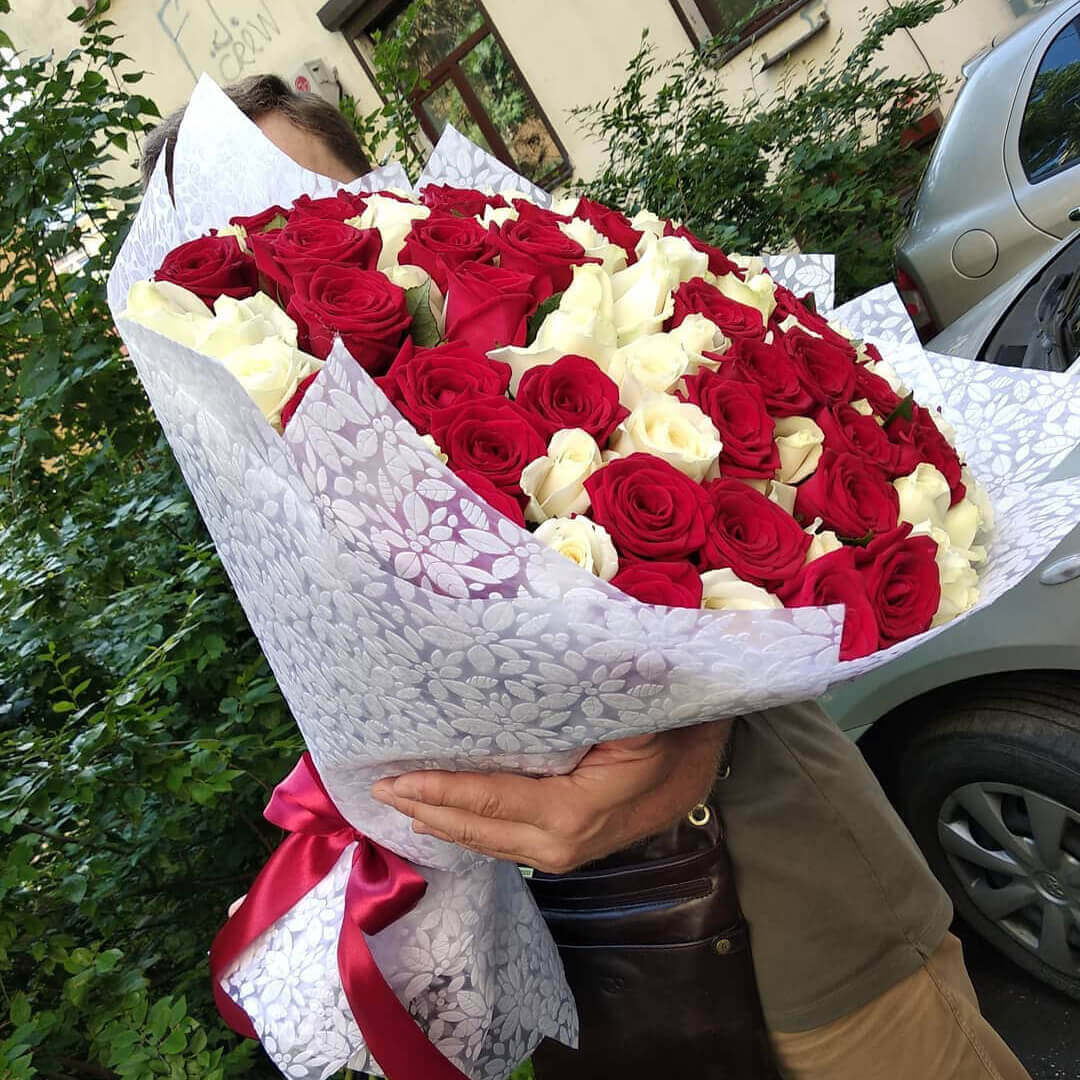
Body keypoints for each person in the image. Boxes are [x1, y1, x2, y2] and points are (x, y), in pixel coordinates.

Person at [143, 80, 1032, 1080]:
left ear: (385, 197)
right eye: (236, 239)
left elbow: (747, 578)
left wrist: (686, 735)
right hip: (596, 994)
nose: (277, 258)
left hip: (804, 924)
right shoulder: (250, 475)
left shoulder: (563, 347)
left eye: (307, 203)